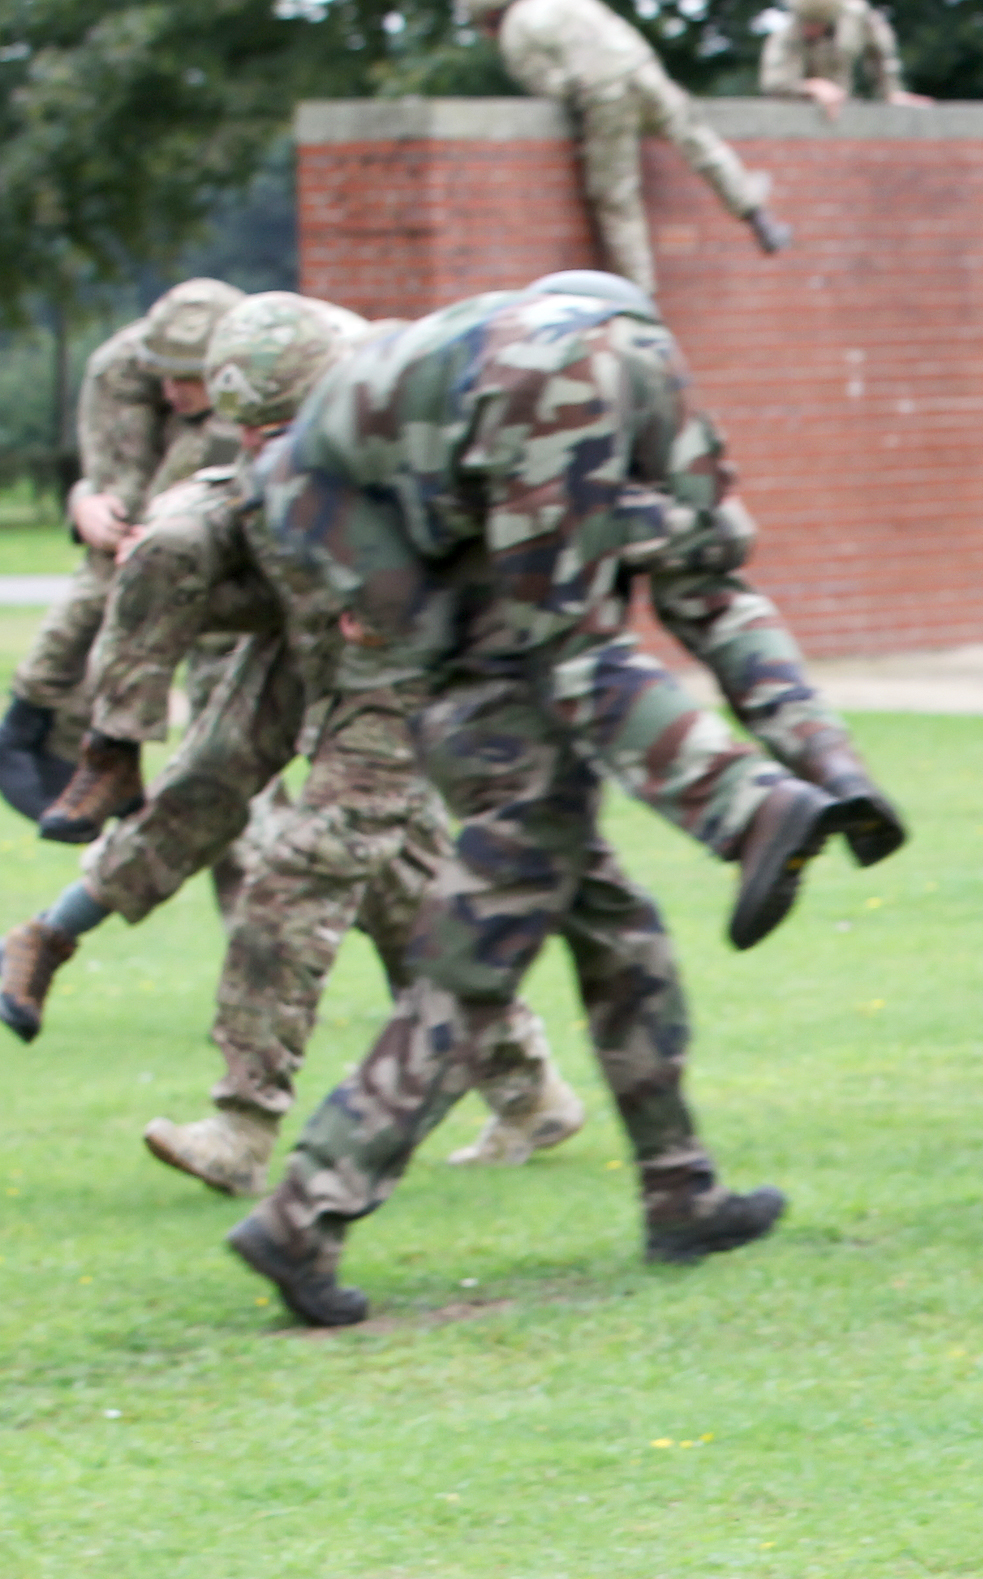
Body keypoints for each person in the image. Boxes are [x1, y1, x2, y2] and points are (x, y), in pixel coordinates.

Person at [203, 275, 902, 1326]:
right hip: (616, 374)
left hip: (498, 621)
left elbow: (458, 633)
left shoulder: (356, 443)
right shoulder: (413, 410)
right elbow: (691, 597)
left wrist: (823, 768)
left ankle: (668, 1180)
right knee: (541, 932)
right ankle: (328, 1208)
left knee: (559, 931)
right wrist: (826, 761)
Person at [0, 294, 588, 1197]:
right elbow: (240, 516)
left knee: (305, 867)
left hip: (395, 675)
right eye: (248, 430)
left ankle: (240, 1126)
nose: (258, 445)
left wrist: (411, 588)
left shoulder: (418, 416)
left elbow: (516, 530)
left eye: (279, 427)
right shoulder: (262, 424)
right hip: (302, 636)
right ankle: (50, 925)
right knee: (223, 800)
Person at [2, 279, 243, 830]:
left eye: (187, 378)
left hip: (238, 612)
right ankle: (57, 731)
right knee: (118, 542)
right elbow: (121, 492)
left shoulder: (262, 402)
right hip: (145, 577)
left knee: (233, 795)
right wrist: (86, 501)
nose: (170, 390)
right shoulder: (121, 374)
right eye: (164, 373)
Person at [464, 0, 793, 292]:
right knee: (699, 142)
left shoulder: (515, 31)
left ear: (489, 16)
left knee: (617, 197)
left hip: (605, 94)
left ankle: (638, 296)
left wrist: (578, 99)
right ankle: (756, 215)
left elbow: (553, 85)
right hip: (643, 70)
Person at [762, 0, 929, 120]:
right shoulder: (787, 35)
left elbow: (881, 51)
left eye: (815, 23)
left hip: (843, 102)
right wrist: (812, 86)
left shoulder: (856, 17)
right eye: (805, 22)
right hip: (799, 111)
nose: (808, 29)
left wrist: (891, 92)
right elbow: (774, 83)